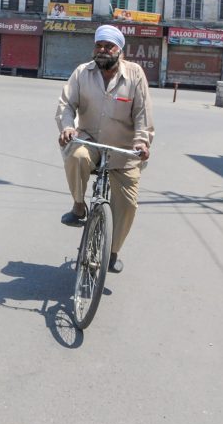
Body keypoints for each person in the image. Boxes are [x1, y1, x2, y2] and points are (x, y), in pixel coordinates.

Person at [55, 25, 153, 274]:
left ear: (119, 50)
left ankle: (112, 251)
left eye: (108, 46)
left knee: (129, 205)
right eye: (98, 45)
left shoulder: (135, 75)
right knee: (75, 155)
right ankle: (79, 206)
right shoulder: (82, 73)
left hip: (125, 149)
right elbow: (67, 105)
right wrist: (67, 127)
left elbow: (143, 113)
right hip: (90, 140)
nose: (102, 50)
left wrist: (142, 142)